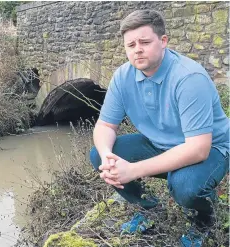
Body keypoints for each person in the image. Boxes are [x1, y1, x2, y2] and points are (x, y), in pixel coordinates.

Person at [89, 9, 229, 247]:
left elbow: (198, 149)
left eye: (144, 42)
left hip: (212, 150)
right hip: (159, 145)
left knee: (185, 186)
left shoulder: (188, 78)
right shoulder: (123, 77)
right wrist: (107, 156)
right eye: (130, 44)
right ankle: (150, 210)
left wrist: (133, 170)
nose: (137, 49)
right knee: (99, 155)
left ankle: (203, 223)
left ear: (163, 41)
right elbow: (105, 125)